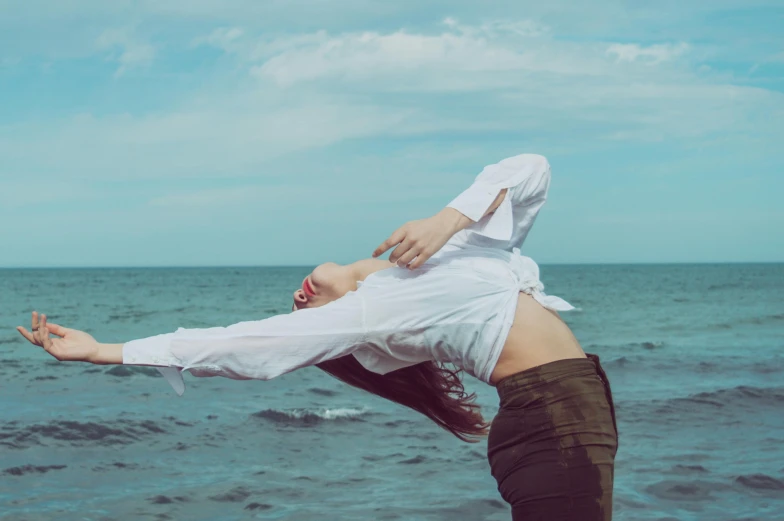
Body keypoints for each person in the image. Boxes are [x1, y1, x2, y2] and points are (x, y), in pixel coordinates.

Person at [17, 153, 619, 520]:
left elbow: (531, 170)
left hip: (572, 404)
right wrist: (107, 351)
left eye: (299, 298)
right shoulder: (372, 310)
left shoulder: (447, 244)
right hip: (550, 416)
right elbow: (244, 345)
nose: (299, 297)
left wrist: (448, 218)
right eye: (301, 311)